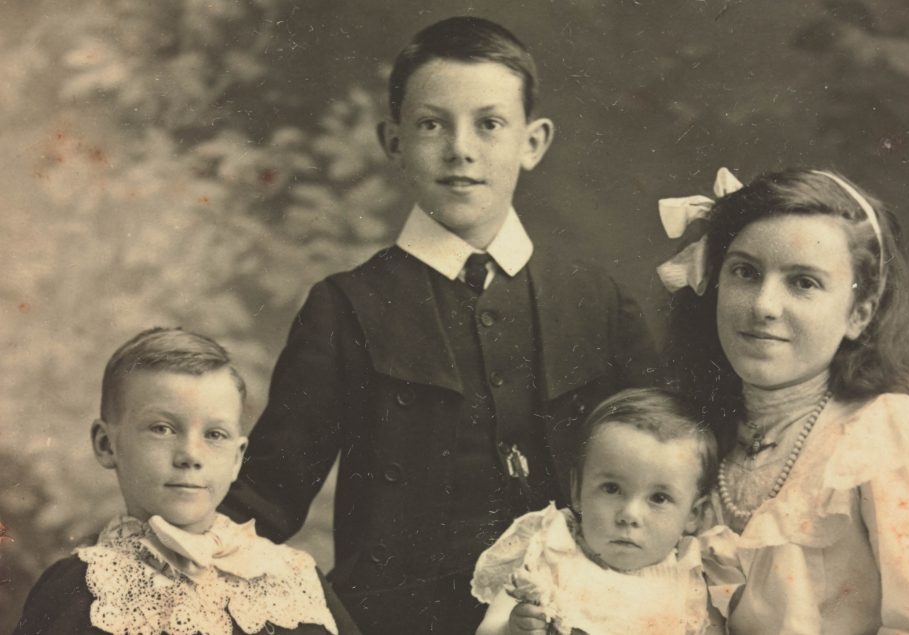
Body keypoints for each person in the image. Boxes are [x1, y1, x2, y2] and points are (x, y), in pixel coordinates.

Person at [221, 16, 659, 634]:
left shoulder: (597, 302)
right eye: (432, 124)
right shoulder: (346, 306)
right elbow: (268, 494)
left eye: (489, 124)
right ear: (393, 142)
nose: (461, 149)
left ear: (532, 142)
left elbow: (668, 462)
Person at [657, 167, 909, 633]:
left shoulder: (890, 442)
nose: (764, 305)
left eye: (803, 282)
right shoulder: (690, 439)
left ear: (859, 313)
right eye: (745, 273)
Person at [12, 327, 359, 635]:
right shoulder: (83, 587)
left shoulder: (296, 578)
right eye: (162, 429)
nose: (191, 455)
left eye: (215, 434)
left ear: (238, 458)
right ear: (106, 445)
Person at [471, 388, 737, 635]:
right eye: (611, 489)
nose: (629, 515)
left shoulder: (689, 578)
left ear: (693, 513)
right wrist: (511, 628)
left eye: (658, 498)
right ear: (577, 489)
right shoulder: (550, 555)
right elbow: (487, 629)